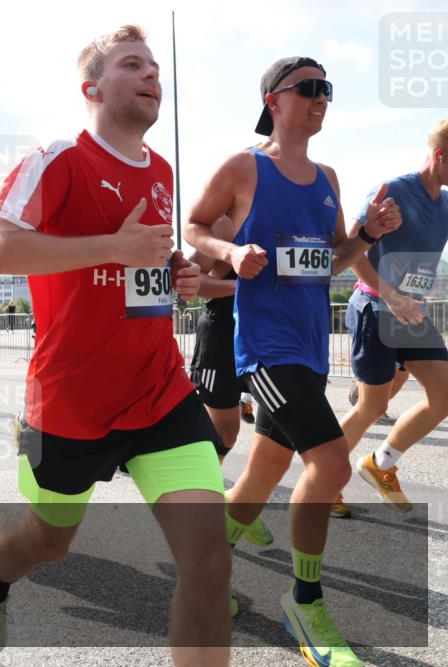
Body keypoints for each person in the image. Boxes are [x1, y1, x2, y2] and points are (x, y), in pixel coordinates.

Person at [0, 27, 226, 665]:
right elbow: (3, 251)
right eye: (132, 65)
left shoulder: (162, 172)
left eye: (156, 69)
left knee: (210, 562)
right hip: (70, 402)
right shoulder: (60, 158)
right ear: (92, 87)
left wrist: (178, 276)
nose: (151, 76)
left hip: (159, 392)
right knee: (47, 542)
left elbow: (141, 272)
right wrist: (114, 246)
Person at [185, 56, 401, 667]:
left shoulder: (329, 176)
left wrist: (366, 235)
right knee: (331, 467)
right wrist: (232, 248)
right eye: (309, 88)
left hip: (309, 349)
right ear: (273, 100)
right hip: (264, 349)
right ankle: (304, 603)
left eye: (327, 89)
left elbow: (330, 261)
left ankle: (202, 574)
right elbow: (196, 226)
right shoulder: (244, 166)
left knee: (259, 477)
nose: (322, 98)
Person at [333, 118, 448, 518]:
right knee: (372, 408)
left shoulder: (445, 203)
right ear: (440, 156)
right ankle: (324, 482)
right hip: (376, 309)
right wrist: (391, 295)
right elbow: (351, 250)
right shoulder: (393, 191)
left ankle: (379, 465)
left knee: (444, 397)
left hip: (412, 313)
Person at [189, 219, 273, 546]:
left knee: (276, 426)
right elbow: (192, 281)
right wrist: (240, 286)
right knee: (226, 432)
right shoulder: (226, 222)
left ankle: (239, 501)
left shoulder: (281, 214)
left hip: (266, 338)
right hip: (221, 335)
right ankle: (203, 507)